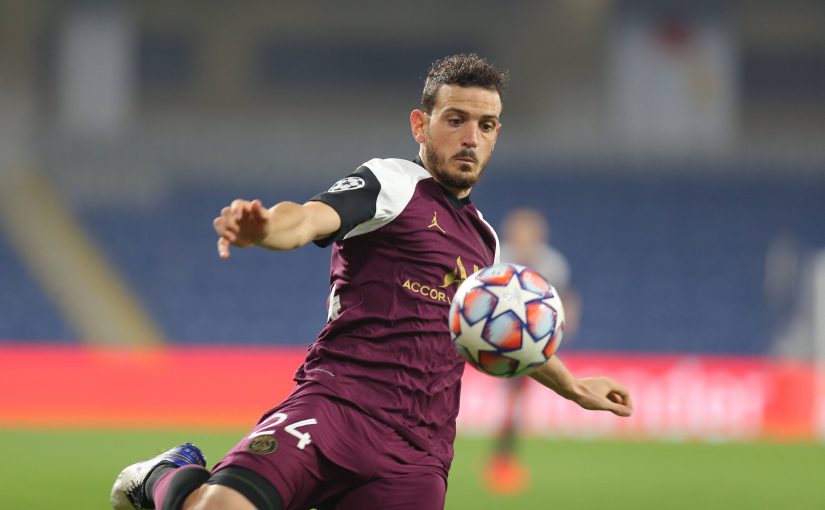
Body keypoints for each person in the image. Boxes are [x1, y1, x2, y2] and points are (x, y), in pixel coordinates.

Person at [111, 53, 632, 510]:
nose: (471, 138)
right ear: (420, 125)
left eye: (487, 125)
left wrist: (573, 386)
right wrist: (265, 227)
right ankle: (166, 474)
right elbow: (308, 218)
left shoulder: (486, 243)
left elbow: (508, 332)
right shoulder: (393, 183)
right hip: (337, 408)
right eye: (456, 120)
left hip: (419, 453)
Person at [483, 207, 583, 494]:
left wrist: (564, 326)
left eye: (531, 232)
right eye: (521, 231)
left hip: (529, 345)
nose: (525, 237)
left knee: (515, 404)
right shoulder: (498, 255)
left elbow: (565, 299)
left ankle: (503, 459)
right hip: (490, 339)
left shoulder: (552, 264)